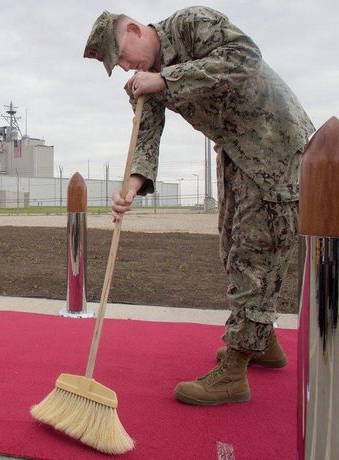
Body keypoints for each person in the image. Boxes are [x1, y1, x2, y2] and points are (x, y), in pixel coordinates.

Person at [84, 7, 314, 406]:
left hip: (276, 146)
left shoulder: (192, 24)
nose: (125, 68)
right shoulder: (146, 80)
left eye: (121, 56)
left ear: (136, 30)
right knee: (231, 246)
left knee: (256, 253)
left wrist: (166, 78)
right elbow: (146, 137)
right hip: (236, 154)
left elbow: (245, 58)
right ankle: (262, 342)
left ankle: (236, 369)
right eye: (118, 65)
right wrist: (132, 186)